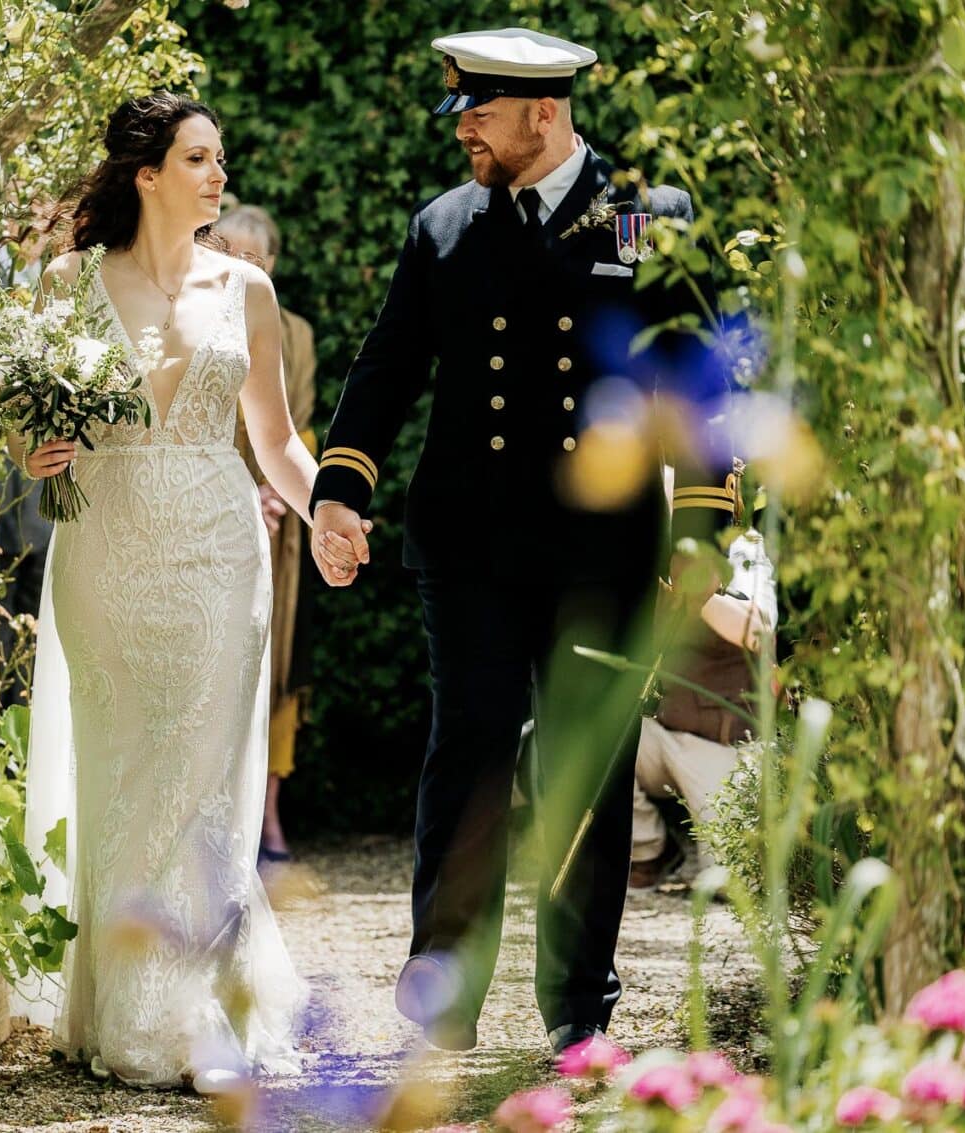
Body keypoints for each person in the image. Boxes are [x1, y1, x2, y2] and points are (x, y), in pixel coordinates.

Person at [307, 28, 739, 1057]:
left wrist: (700, 536)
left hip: (601, 554)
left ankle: (574, 1009)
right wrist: (338, 489)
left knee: (585, 772)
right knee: (467, 758)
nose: (463, 130)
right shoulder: (445, 225)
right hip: (468, 547)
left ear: (541, 114)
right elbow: (384, 366)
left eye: (479, 114)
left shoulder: (647, 219)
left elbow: (705, 384)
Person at [10, 92, 364, 1094]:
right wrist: (31, 453)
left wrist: (325, 515)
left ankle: (209, 1012)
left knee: (206, 781)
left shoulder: (245, 289)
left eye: (218, 158)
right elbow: (28, 422)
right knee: (123, 768)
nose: (217, 174)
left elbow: (279, 442)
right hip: (105, 552)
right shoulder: (69, 284)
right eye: (198, 158)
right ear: (145, 173)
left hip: (218, 553)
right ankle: (120, 1003)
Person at [217, 202, 319, 866]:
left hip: (279, 516)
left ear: (273, 265)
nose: (242, 267)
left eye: (254, 258)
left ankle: (270, 812)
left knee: (281, 659)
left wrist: (282, 496)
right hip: (214, 493)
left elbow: (295, 421)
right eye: (230, 251)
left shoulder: (296, 332)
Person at [630, 499, 776, 888]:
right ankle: (650, 849)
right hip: (662, 735)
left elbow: (757, 631)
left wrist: (700, 594)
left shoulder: (744, 548)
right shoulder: (652, 543)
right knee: (584, 742)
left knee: (732, 884)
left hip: (722, 746)